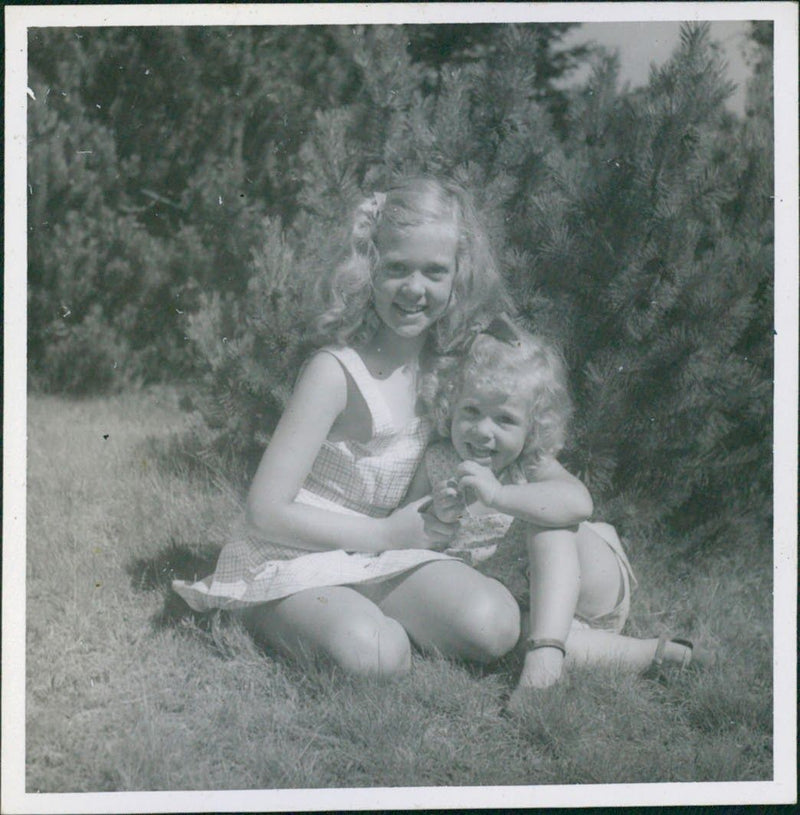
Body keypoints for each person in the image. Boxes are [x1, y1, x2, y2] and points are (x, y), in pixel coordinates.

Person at [173, 177, 520, 678]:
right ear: (369, 269)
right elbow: (263, 511)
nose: (414, 290)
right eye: (396, 268)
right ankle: (261, 614)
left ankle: (365, 614)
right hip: (290, 555)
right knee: (376, 654)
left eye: (435, 272)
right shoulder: (335, 372)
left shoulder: (445, 369)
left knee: (495, 624)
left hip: (374, 557)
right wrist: (383, 533)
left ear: (458, 279)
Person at [412, 317, 714, 703]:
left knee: (548, 518)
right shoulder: (438, 462)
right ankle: (655, 655)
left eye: (505, 419)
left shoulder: (530, 465)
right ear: (449, 404)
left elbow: (579, 503)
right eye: (471, 411)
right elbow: (412, 529)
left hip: (589, 583)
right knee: (513, 634)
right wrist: (438, 514)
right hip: (534, 607)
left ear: (533, 427)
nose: (483, 431)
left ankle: (546, 654)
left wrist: (498, 496)